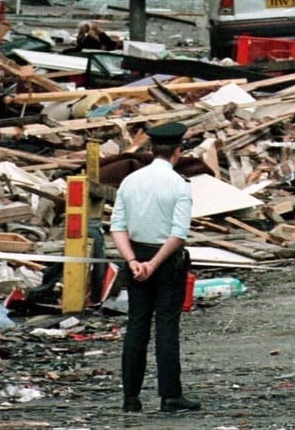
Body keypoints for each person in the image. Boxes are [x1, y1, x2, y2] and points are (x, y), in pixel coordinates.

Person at [110, 122, 200, 414]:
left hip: (136, 259)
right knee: (166, 327)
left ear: (150, 150)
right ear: (177, 151)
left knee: (136, 326)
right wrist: (154, 263)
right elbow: (178, 234)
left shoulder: (130, 181)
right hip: (166, 262)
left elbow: (118, 227)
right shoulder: (179, 185)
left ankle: (131, 398)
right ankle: (170, 395)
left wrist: (134, 261)